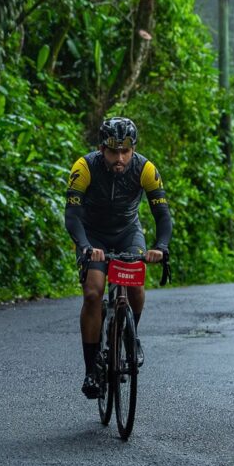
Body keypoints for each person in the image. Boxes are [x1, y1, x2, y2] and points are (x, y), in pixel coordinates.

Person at [65, 116, 172, 399]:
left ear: (133, 149)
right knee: (93, 293)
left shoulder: (146, 168)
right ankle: (91, 369)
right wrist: (85, 246)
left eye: (126, 151)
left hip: (128, 233)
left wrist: (160, 246)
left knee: (136, 287)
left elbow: (162, 214)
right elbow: (72, 216)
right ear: (102, 148)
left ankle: (130, 335)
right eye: (114, 151)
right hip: (93, 236)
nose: (120, 158)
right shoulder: (84, 167)